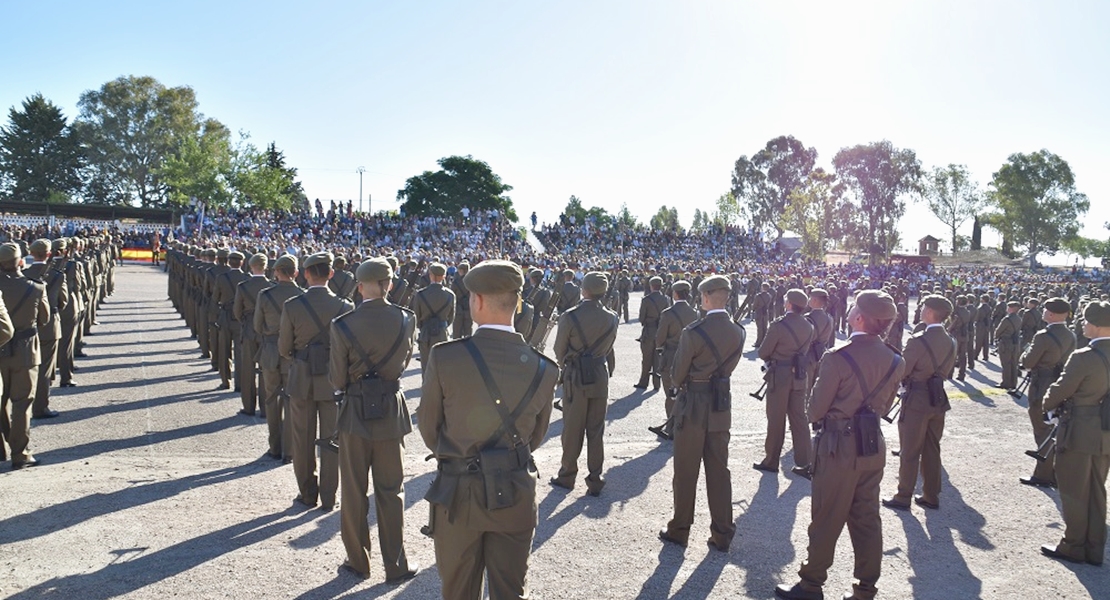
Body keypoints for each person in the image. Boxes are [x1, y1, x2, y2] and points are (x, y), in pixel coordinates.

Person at [419, 260, 559, 600]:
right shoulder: (545, 368)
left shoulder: (446, 357)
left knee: (458, 592)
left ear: (476, 300)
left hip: (458, 493)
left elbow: (428, 427)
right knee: (510, 592)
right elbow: (535, 438)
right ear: (517, 303)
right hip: (514, 491)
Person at [777, 290, 905, 600]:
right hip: (872, 444)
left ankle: (811, 584)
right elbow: (885, 408)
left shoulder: (837, 357)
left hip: (837, 446)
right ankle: (865, 589)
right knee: (867, 518)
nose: (847, 313)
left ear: (860, 317)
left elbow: (815, 411)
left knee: (827, 514)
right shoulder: (895, 359)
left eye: (852, 310)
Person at [330, 258, 419, 584]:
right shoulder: (406, 320)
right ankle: (395, 565)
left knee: (354, 491)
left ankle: (358, 561)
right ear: (390, 284)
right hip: (391, 411)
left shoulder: (342, 324)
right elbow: (405, 361)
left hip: (354, 412)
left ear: (359, 286)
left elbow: (337, 379)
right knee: (391, 491)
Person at [659, 275, 744, 551]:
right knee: (719, 470)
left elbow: (677, 374)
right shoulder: (738, 331)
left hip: (693, 402)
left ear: (705, 297)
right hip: (720, 403)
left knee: (685, 469)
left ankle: (680, 529)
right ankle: (722, 534)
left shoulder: (693, 332)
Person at [279, 252, 353, 510]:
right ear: (331, 274)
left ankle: (307, 493)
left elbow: (284, 348)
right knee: (332, 441)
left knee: (302, 439)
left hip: (301, 377)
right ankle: (329, 497)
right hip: (334, 381)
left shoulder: (292, 305)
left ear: (306, 274)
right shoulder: (345, 307)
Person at [1040, 300, 1110, 567]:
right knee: (1096, 489)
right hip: (1105, 431)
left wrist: (1047, 405)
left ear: (1095, 324)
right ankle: (1094, 547)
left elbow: (1060, 390)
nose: (1083, 324)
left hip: (1079, 429)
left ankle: (1073, 545)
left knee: (1073, 489)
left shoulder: (1084, 357)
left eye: (1085, 320)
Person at [883, 295, 955, 512]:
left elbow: (902, 370)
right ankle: (931, 495)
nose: (921, 310)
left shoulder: (918, 340)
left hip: (917, 399)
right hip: (938, 397)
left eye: (924, 307)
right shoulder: (951, 340)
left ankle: (904, 495)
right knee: (932, 448)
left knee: (910, 450)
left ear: (930, 312)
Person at [551, 272, 618, 496]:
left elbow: (559, 351)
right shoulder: (612, 317)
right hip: (599, 374)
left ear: (584, 290)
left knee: (572, 429)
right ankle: (595, 478)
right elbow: (608, 349)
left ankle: (567, 475)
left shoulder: (570, 316)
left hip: (576, 376)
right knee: (596, 429)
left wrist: (568, 365)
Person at [1018, 297, 1076, 488]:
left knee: (1042, 428)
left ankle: (1043, 475)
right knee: (1055, 428)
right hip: (1060, 383)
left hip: (1042, 383)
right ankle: (1055, 473)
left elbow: (1027, 362)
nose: (1042, 312)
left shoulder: (1043, 336)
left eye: (1045, 310)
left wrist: (1025, 354)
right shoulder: (1071, 335)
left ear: (1051, 314)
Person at [756, 289, 814, 477]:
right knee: (799, 418)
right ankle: (805, 462)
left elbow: (763, 352)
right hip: (799, 375)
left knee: (776, 418)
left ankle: (771, 460)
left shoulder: (779, 325)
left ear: (789, 304)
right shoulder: (808, 326)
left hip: (779, 376)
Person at [0, 243, 47, 469]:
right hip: (25, 351)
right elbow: (44, 319)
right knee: (22, 404)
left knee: (1, 404)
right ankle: (20, 454)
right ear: (21, 261)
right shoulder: (36, 287)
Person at [254, 255, 303, 461]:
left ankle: (275, 446)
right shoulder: (303, 295)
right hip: (295, 355)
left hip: (272, 350)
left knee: (271, 399)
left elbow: (257, 326)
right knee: (293, 401)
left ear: (276, 272)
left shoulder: (265, 295)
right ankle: (290, 450)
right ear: (296, 273)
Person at [649, 280, 698, 440]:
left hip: (671, 356)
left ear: (675, 294)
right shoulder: (694, 312)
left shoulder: (668, 313)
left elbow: (659, 339)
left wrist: (660, 347)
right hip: (690, 356)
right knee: (685, 391)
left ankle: (671, 428)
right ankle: (683, 425)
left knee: (671, 393)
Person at [24, 239, 67, 420]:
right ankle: (40, 407)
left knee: (25, 369)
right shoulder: (57, 275)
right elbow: (63, 302)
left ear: (31, 253)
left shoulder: (22, 273)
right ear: (49, 254)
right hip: (49, 327)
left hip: (25, 327)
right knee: (44, 370)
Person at [233, 253, 271, 416]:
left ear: (250, 266)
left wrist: (245, 321)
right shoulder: (272, 287)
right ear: (266, 267)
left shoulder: (243, 286)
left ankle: (248, 406)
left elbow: (237, 312)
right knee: (265, 370)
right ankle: (265, 407)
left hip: (248, 327)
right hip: (266, 330)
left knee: (247, 368)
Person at [413, 263, 455, 373]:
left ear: (430, 275)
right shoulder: (450, 295)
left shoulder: (421, 294)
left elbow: (416, 316)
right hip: (442, 332)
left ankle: (427, 389)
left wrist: (423, 327)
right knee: (442, 367)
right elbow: (451, 317)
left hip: (425, 333)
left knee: (426, 368)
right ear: (444, 276)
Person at [635, 276, 668, 390]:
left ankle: (643, 382)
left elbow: (641, 318)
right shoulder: (665, 299)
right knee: (657, 358)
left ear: (651, 286)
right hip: (661, 331)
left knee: (646, 358)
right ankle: (656, 384)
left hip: (649, 331)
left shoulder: (646, 299)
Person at [994, 301, 1022, 391]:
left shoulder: (1007, 319)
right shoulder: (1018, 318)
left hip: (1006, 342)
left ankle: (1006, 383)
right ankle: (1013, 383)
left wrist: (996, 337)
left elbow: (999, 331)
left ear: (1011, 308)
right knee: (1014, 363)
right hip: (1015, 343)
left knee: (1006, 363)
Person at [451, 261, 472, 338]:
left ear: (461, 270)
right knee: (468, 330)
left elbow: (452, 294)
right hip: (469, 308)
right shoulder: (472, 282)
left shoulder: (456, 282)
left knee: (457, 332)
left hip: (458, 308)